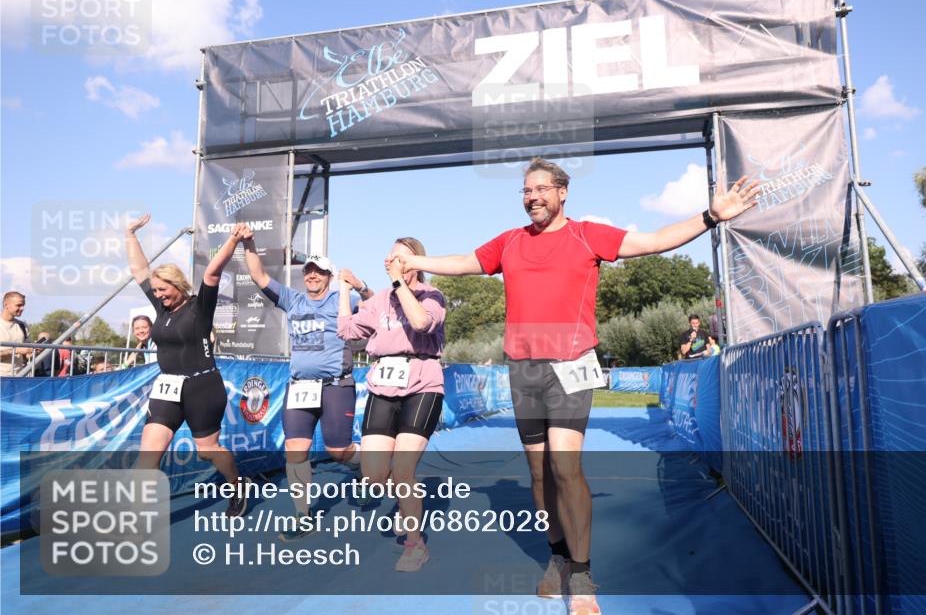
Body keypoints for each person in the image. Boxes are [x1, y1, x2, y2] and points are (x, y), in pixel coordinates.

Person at [392, 157, 759, 613]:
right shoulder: (509, 242)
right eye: (526, 191)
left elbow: (654, 241)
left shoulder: (588, 234)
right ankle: (559, 556)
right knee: (540, 476)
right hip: (524, 370)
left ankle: (582, 573)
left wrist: (710, 216)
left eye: (541, 189)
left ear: (563, 192)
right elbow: (465, 262)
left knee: (566, 468)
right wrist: (415, 260)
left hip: (570, 366)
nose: (532, 197)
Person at [240, 228, 373, 541]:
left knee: (338, 450)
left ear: (329, 276)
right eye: (309, 271)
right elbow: (258, 275)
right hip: (300, 386)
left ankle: (363, 467)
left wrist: (361, 286)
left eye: (319, 272)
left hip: (335, 385)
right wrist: (248, 243)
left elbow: (374, 303)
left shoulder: (343, 299)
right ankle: (303, 514)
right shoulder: (292, 299)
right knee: (295, 450)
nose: (313, 276)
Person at [125, 213, 248, 516]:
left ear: (177, 285)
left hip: (202, 387)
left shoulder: (199, 307)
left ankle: (237, 482)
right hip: (168, 387)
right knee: (148, 457)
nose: (158, 295)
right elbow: (139, 269)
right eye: (155, 291)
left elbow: (213, 273)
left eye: (163, 290)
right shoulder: (160, 306)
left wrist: (233, 240)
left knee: (207, 451)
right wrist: (130, 235)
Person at [337, 237, 446, 572]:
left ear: (416, 263)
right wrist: (345, 289)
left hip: (422, 384)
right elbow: (347, 330)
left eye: (401, 257)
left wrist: (400, 284)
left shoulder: (432, 296)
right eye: (390, 256)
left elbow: (420, 323)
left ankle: (415, 545)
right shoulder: (379, 300)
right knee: (373, 475)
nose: (392, 261)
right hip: (383, 385)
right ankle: (404, 498)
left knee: (403, 469)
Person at [1, 291, 31, 377]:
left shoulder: (22, 326)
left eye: (23, 305)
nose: (22, 308)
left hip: (19, 378)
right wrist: (16, 350)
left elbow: (26, 352)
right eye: (19, 305)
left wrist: (31, 352)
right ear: (6, 305)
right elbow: (19, 350)